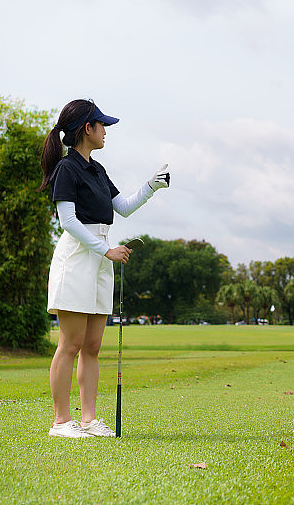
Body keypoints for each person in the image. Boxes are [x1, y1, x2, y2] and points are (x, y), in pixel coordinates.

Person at [37, 99, 170, 438]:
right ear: (87, 129)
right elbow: (68, 220)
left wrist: (151, 186)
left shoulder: (96, 169)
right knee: (70, 343)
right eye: (101, 125)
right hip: (78, 258)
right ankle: (61, 422)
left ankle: (89, 419)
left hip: (100, 257)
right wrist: (106, 250)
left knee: (93, 345)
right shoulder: (67, 169)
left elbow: (122, 207)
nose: (105, 131)